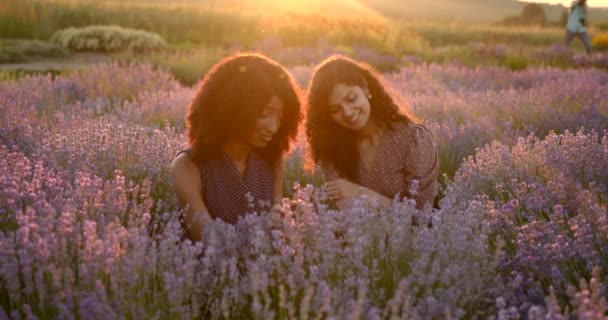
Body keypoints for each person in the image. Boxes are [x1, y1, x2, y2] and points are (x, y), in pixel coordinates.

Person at [171, 53, 302, 242]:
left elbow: (277, 228)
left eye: (280, 118)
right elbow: (209, 243)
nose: (273, 128)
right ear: (234, 109)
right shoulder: (188, 167)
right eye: (265, 114)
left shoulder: (271, 159)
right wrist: (265, 231)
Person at [306, 55, 438, 210]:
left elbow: (422, 214)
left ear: (365, 88)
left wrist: (362, 194)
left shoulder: (413, 139)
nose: (347, 112)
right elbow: (349, 215)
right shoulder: (332, 149)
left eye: (351, 98)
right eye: (335, 110)